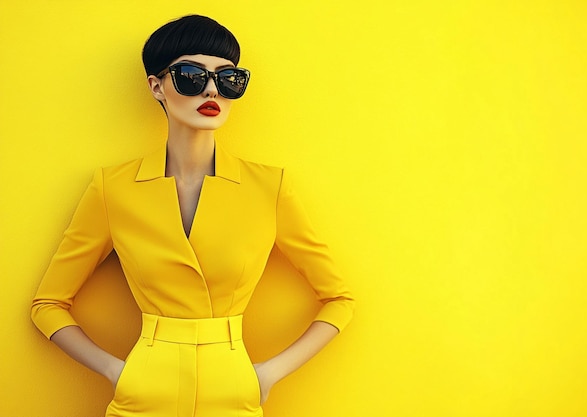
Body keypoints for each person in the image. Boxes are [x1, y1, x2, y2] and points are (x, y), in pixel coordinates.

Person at [31, 14, 355, 417]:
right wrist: (117, 372)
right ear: (157, 86)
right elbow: (47, 303)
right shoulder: (112, 187)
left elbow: (340, 298)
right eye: (190, 74)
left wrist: (267, 375)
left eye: (228, 78)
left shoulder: (269, 187)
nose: (211, 89)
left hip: (233, 391)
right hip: (144, 391)